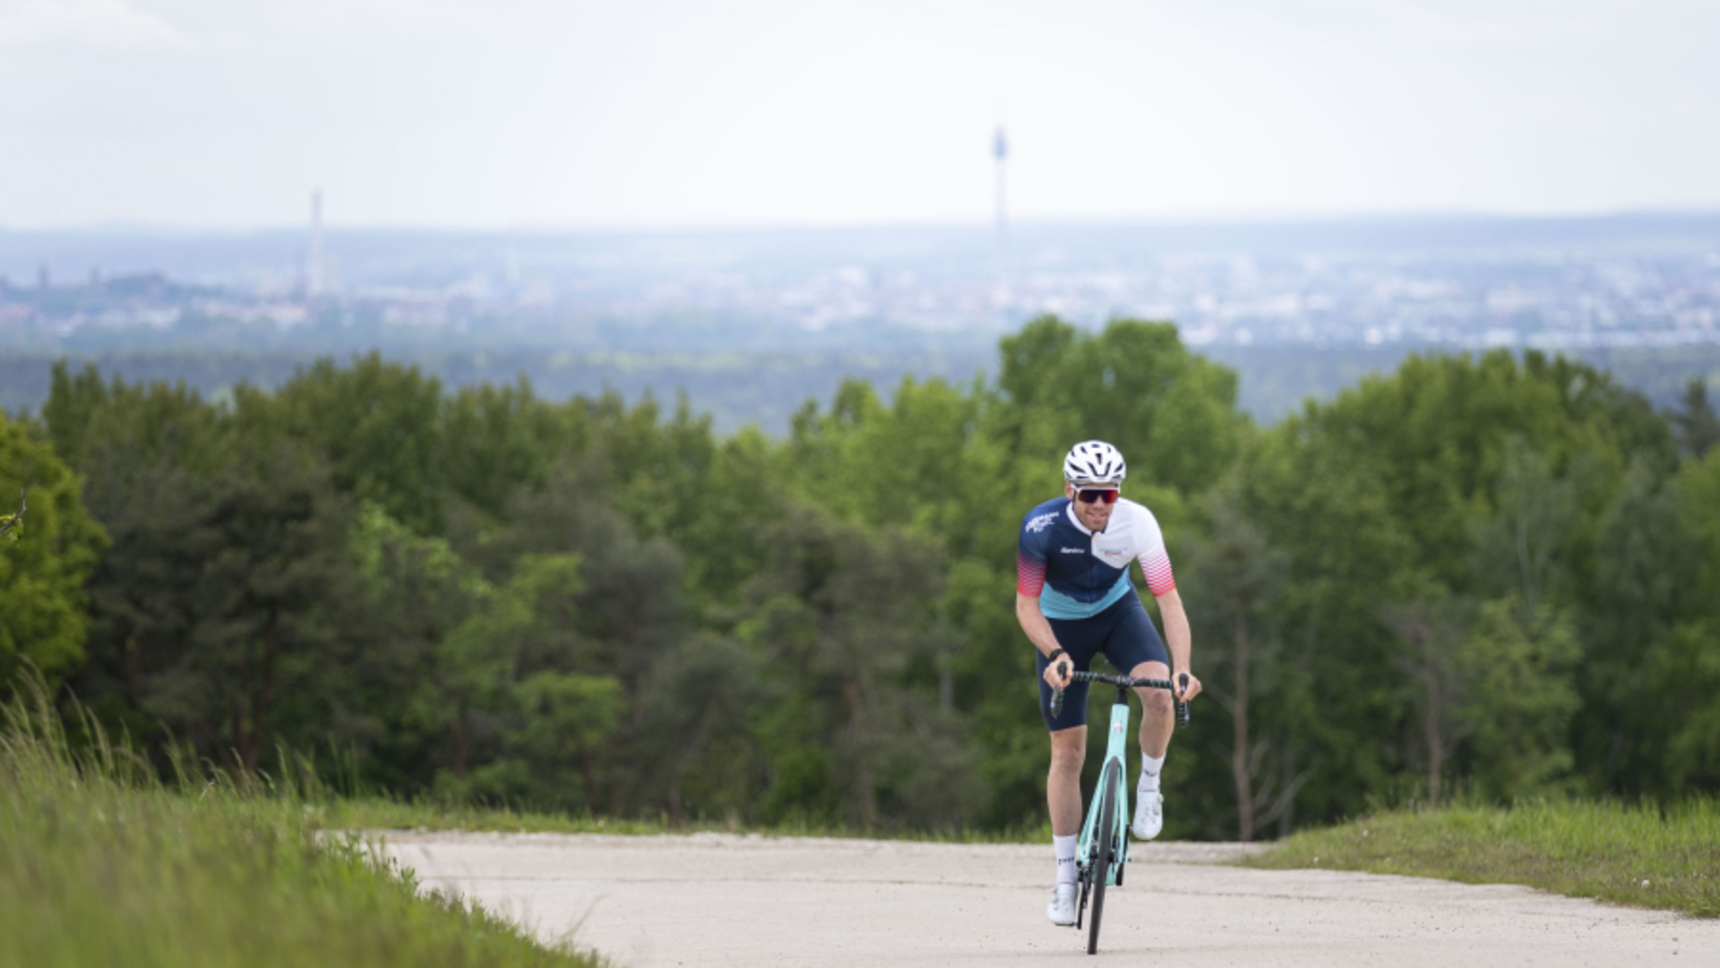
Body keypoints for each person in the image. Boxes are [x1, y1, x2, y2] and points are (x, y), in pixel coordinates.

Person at [1016, 440, 1201, 926]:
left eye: (1110, 494)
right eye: (1090, 494)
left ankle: (1149, 786)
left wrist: (1182, 667)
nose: (1100, 504)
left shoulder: (1138, 522)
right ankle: (1063, 880)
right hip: (1060, 630)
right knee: (1068, 754)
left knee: (1159, 697)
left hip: (1119, 615)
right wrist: (1054, 653)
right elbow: (1026, 605)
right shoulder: (1041, 528)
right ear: (1069, 490)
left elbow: (1170, 602)